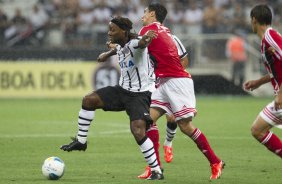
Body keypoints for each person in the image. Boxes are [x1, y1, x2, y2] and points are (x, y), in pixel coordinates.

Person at [60, 16, 164, 180]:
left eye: (112, 30)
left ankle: (156, 170)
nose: (109, 33)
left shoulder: (135, 43)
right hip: (122, 90)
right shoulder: (121, 44)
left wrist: (148, 37)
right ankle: (81, 141)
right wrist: (107, 54)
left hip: (140, 94)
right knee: (89, 100)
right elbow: (119, 48)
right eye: (109, 29)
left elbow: (142, 43)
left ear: (123, 31)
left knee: (137, 130)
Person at [138, 3, 224, 180]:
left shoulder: (148, 30)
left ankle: (215, 162)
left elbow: (134, 44)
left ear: (152, 14)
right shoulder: (165, 30)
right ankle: (155, 168)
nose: (142, 16)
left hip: (177, 81)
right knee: (146, 122)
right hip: (163, 82)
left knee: (185, 126)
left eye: (145, 12)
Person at [138, 34, 189, 179]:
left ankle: (168, 143)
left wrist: (173, 75)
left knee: (172, 118)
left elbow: (184, 59)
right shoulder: (145, 39)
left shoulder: (172, 38)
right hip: (152, 84)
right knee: (148, 119)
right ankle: (154, 166)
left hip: (171, 82)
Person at [243, 4, 282, 159]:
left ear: (254, 20)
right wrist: (258, 82)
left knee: (258, 130)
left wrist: (280, 93)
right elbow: (276, 70)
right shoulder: (266, 39)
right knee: (258, 130)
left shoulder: (270, 36)